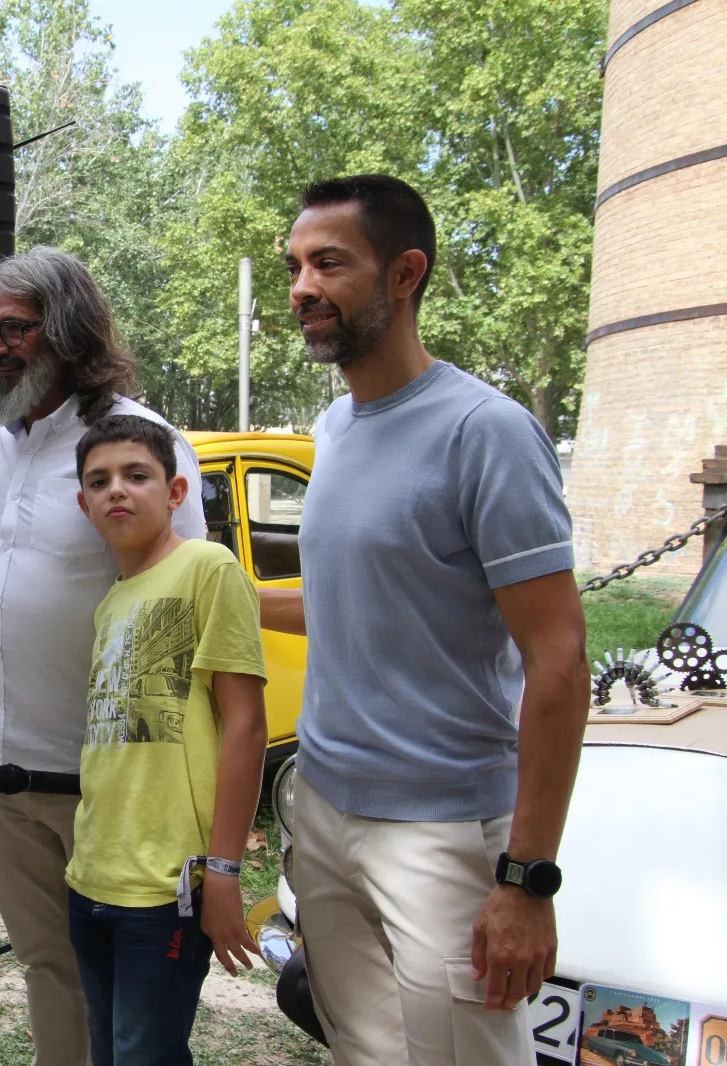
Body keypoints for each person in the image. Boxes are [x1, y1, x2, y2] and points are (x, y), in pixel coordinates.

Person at [262, 175, 587, 1066]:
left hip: (441, 832)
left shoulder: (486, 431)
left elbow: (558, 661)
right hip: (324, 815)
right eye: (295, 265)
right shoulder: (337, 427)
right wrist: (226, 602)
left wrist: (525, 882)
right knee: (366, 1054)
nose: (301, 287)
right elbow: (352, 604)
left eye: (329, 262)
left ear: (406, 274)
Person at [0, 246, 206, 1066]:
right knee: (47, 974)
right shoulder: (5, 445)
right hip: (5, 780)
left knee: (125, 1012)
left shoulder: (135, 445)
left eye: (16, 329)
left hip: (104, 791)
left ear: (68, 332)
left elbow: (181, 621)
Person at [66, 414, 267, 1066]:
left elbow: (247, 725)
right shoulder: (112, 601)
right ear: (83, 503)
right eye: (99, 481)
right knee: (108, 1052)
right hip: (94, 876)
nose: (116, 490)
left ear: (176, 492)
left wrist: (225, 872)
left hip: (167, 889)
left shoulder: (208, 568)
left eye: (136, 475)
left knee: (143, 1055)